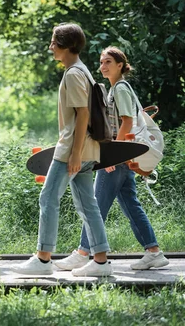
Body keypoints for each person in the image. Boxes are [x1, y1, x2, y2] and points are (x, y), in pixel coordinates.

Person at [54, 46, 169, 271]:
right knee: (130, 205)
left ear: (120, 65)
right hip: (122, 156)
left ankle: (83, 252)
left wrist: (113, 157)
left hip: (118, 157)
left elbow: (126, 122)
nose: (103, 66)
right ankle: (153, 251)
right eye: (101, 62)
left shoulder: (120, 89)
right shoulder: (113, 89)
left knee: (94, 205)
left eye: (108, 62)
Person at [12, 23, 113, 277]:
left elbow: (83, 115)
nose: (50, 46)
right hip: (86, 149)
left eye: (53, 42)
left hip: (72, 149)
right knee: (88, 205)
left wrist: (75, 154)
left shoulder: (74, 74)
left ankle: (43, 259)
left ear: (67, 46)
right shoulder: (80, 71)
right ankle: (101, 262)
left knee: (48, 198)